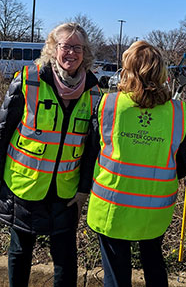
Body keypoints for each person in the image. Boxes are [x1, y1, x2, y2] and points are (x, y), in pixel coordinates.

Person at [0, 22, 102, 287]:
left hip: (66, 192)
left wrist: (83, 190)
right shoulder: (28, 79)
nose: (71, 53)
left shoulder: (93, 92)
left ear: (85, 52)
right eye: (65, 46)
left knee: (66, 257)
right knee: (20, 251)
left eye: (77, 48)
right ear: (53, 48)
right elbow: (2, 131)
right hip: (25, 185)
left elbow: (92, 149)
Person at [84, 40, 186, 287]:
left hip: (112, 206)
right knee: (154, 265)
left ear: (127, 70)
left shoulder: (108, 105)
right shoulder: (178, 112)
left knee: (116, 274)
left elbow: (91, 154)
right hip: (155, 211)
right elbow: (183, 165)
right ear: (161, 72)